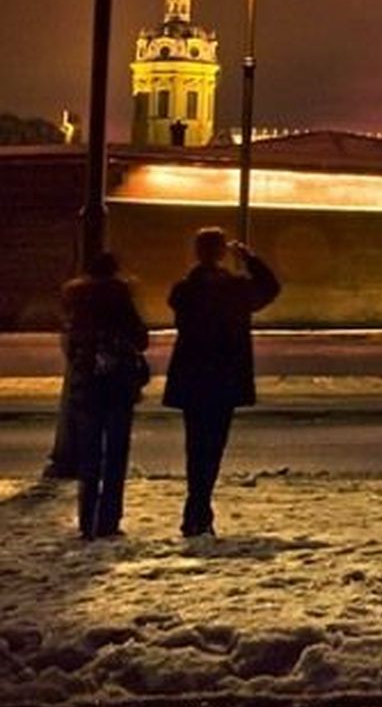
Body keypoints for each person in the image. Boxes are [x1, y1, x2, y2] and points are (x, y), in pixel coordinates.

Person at [163, 227, 280, 538]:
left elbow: (179, 306)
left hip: (193, 377)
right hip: (224, 377)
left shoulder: (184, 290)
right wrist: (249, 258)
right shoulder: (235, 290)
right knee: (214, 446)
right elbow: (271, 288)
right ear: (222, 253)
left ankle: (196, 510)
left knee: (195, 446)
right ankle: (199, 510)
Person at [61, 251, 149, 540]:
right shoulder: (120, 295)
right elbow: (140, 338)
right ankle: (109, 520)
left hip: (87, 385)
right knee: (115, 454)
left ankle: (87, 520)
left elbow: (70, 345)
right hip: (118, 385)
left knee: (89, 455)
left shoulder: (74, 300)